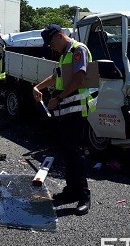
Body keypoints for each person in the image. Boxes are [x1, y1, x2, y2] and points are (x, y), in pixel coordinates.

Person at [32, 24, 96, 216]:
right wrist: (38, 87)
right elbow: (56, 76)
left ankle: (84, 196)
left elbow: (79, 77)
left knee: (75, 153)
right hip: (67, 111)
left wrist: (57, 99)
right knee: (68, 151)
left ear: (60, 36)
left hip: (77, 110)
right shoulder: (64, 54)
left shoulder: (78, 50)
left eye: (51, 42)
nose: (51, 47)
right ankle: (72, 191)